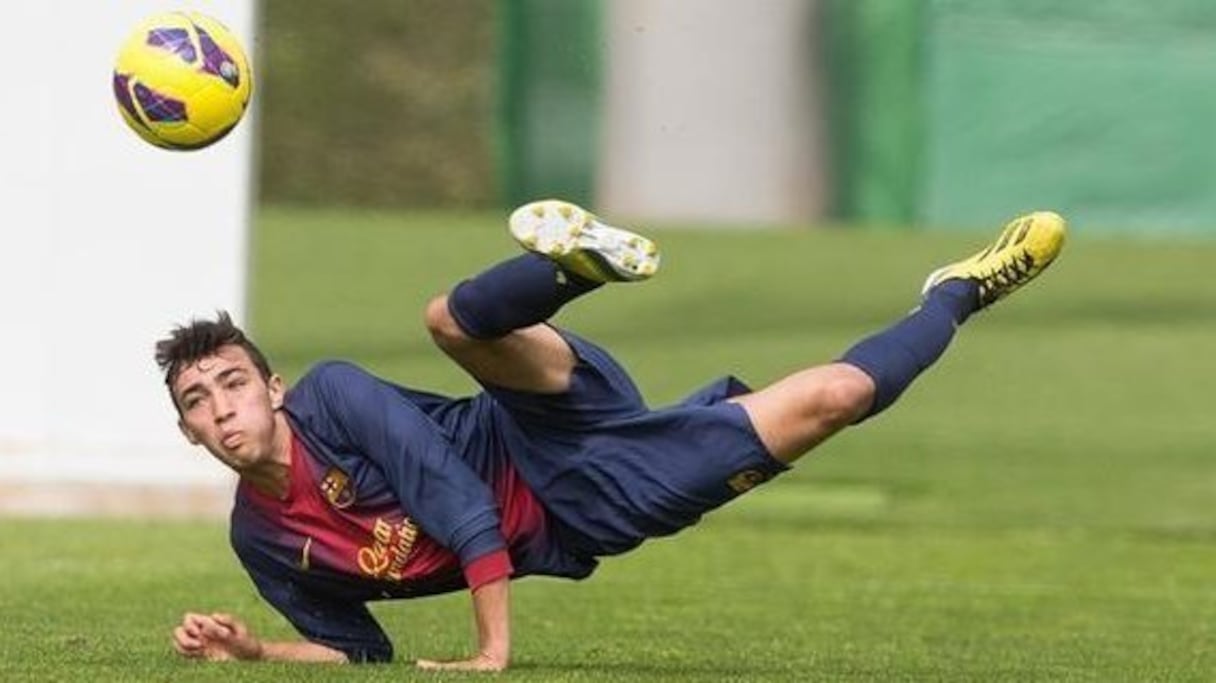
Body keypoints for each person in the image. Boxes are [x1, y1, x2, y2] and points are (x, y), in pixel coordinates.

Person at [162, 199, 1065, 671]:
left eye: (234, 381)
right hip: (589, 496)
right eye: (199, 401)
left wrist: (491, 650)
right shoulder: (263, 537)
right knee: (835, 394)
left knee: (449, 320)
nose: (222, 407)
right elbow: (358, 652)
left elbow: (453, 494)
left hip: (530, 415)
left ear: (272, 386)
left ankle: (568, 269)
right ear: (188, 430)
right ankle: (958, 292)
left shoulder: (333, 396)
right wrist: (255, 650)